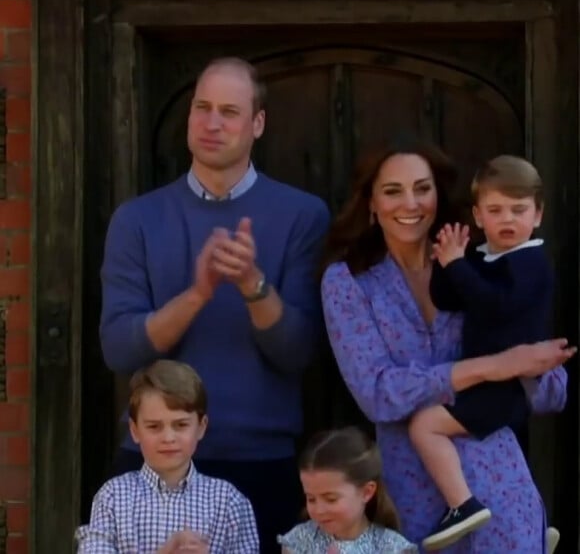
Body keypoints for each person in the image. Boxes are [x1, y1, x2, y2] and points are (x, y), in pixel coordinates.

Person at [100, 56, 330, 553]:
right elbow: (120, 350)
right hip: (153, 466)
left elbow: (299, 352)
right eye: (201, 107)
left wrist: (252, 285)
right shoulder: (136, 220)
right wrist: (198, 294)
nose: (211, 122)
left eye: (229, 111)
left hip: (261, 462)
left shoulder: (302, 215)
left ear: (258, 123)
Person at [320, 138, 574, 552]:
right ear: (371, 202)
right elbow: (379, 394)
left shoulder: (480, 264)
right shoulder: (348, 282)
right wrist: (494, 367)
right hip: (416, 496)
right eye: (392, 191)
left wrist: (534, 369)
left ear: (438, 196)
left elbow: (552, 389)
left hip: (502, 488)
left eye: (422, 188)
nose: (410, 203)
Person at [408, 156, 555, 550]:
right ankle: (532, 527)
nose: (508, 219)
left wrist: (459, 265)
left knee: (425, 425)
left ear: (538, 215)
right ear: (478, 215)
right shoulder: (487, 258)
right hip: (485, 381)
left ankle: (463, 505)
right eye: (495, 210)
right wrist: (447, 259)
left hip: (503, 388)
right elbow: (447, 298)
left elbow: (494, 305)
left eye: (519, 210)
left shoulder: (530, 262)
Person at [76, 360, 259, 553]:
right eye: (154, 426)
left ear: (201, 427)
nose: (168, 438)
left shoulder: (229, 501)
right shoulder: (113, 497)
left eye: (181, 425)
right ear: (135, 430)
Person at [278, 427, 417, 553]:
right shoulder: (298, 542)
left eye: (331, 499)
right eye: (311, 499)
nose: (319, 510)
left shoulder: (392, 548)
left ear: (366, 492)